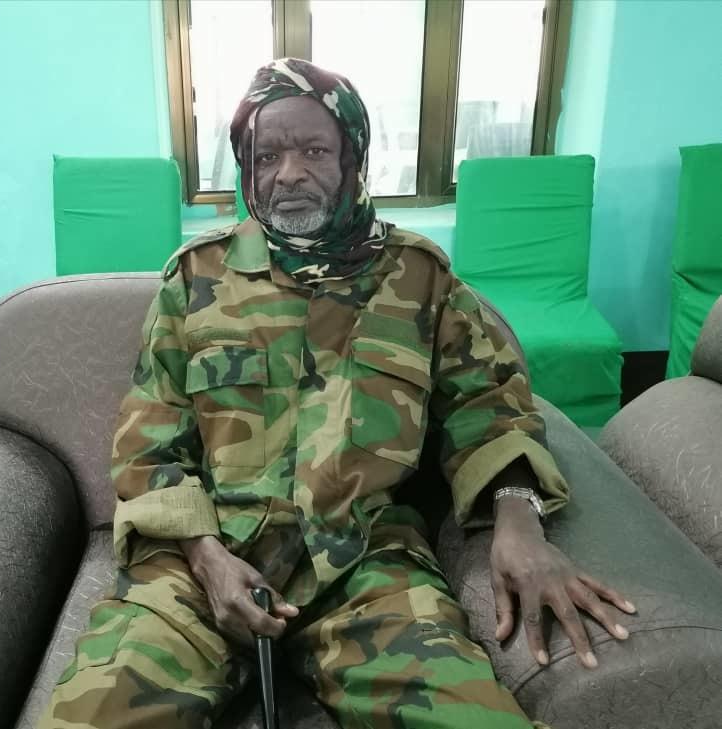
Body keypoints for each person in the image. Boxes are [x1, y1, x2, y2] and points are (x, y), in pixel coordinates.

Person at [40, 58, 635, 729]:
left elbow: (492, 408)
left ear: (353, 157)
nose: (289, 173)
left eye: (315, 151)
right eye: (268, 156)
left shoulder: (418, 279)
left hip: (366, 565)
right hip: (206, 562)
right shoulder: (195, 280)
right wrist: (206, 559)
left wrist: (519, 523)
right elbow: (148, 446)